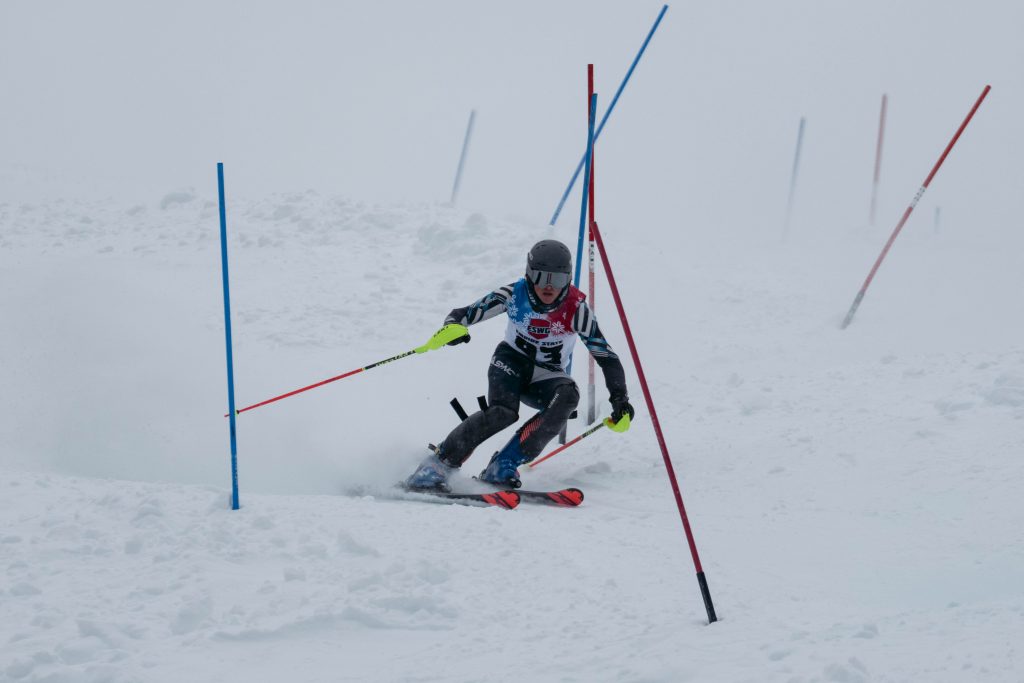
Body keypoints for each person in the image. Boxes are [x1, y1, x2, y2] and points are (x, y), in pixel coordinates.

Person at [405, 239, 634, 491]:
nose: (548, 286)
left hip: (547, 376)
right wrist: (452, 328)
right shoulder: (514, 295)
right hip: (510, 362)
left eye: (556, 279)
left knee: (568, 396)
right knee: (502, 412)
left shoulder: (577, 310)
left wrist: (619, 399)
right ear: (528, 274)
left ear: (567, 279)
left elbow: (607, 357)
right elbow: (461, 314)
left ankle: (503, 464)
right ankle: (437, 465)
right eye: (540, 276)